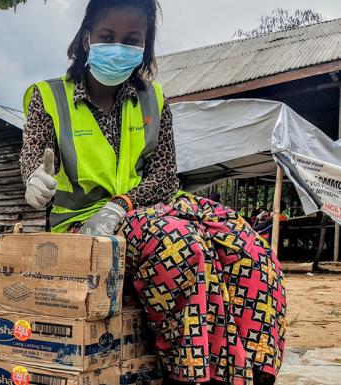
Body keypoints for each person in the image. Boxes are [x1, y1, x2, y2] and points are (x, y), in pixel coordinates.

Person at [20, 1, 285, 384]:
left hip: (145, 208)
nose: (118, 47)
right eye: (108, 37)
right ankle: (190, 375)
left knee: (245, 242)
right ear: (86, 37)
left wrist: (121, 205)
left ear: (145, 47)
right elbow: (33, 154)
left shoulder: (154, 100)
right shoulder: (48, 97)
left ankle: (253, 370)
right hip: (83, 227)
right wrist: (35, 180)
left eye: (132, 40)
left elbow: (164, 179)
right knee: (179, 245)